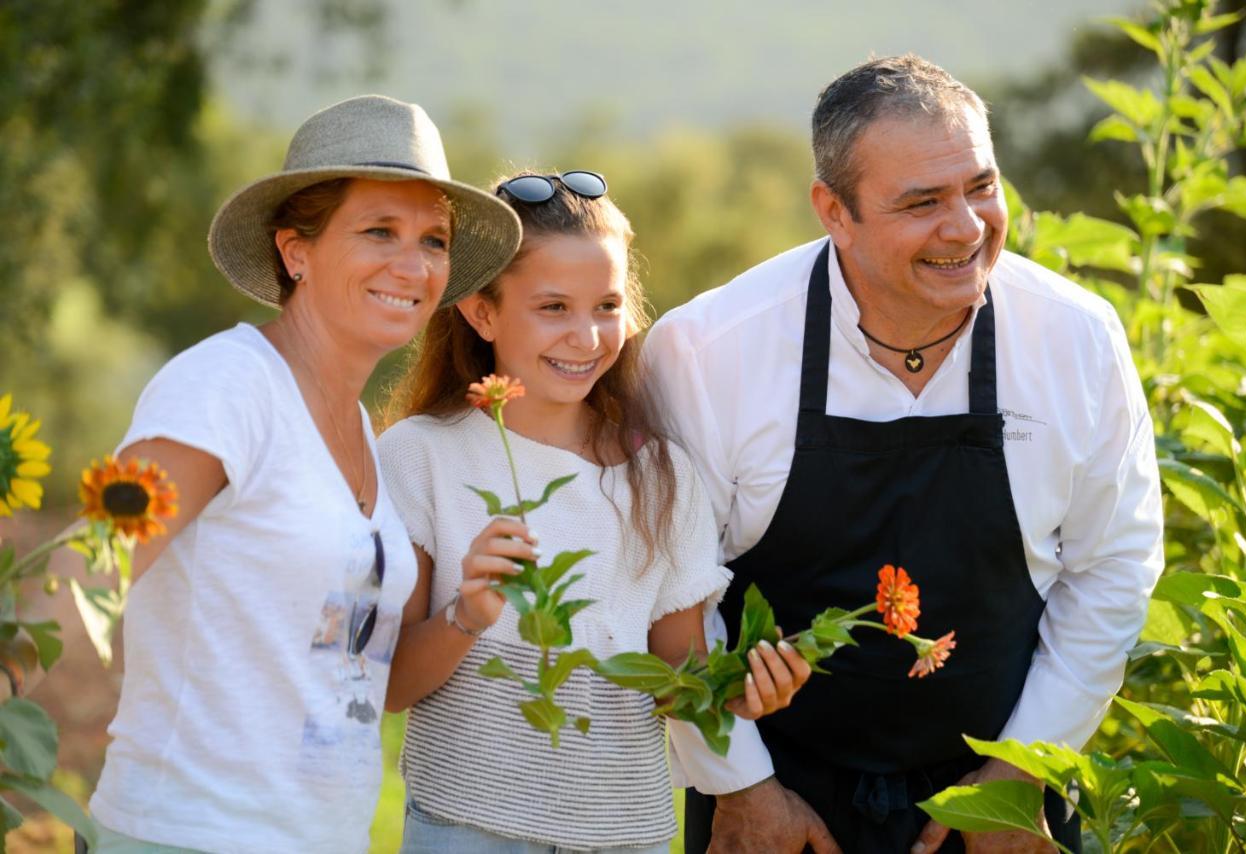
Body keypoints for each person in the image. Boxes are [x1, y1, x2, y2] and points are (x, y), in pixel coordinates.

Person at [643, 55, 1164, 854]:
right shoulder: (708, 350)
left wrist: (1020, 776)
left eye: (981, 188)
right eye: (922, 203)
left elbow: (1113, 568)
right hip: (776, 803)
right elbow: (670, 594)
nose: (964, 227)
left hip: (1004, 794)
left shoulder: (1077, 339)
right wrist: (741, 788)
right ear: (834, 211)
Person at [85, 95, 522, 853]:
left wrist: (465, 615)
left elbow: (362, 683)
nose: (412, 265)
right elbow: (95, 561)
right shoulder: (229, 387)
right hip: (187, 835)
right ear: (296, 251)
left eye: (433, 239)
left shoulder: (357, 428)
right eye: (378, 231)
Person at [377, 170, 813, 853]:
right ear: (481, 312)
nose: (586, 337)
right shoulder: (420, 456)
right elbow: (391, 685)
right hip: (465, 825)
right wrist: (467, 613)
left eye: (607, 305)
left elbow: (679, 685)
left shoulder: (662, 477)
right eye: (553, 307)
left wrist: (747, 691)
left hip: (623, 834)